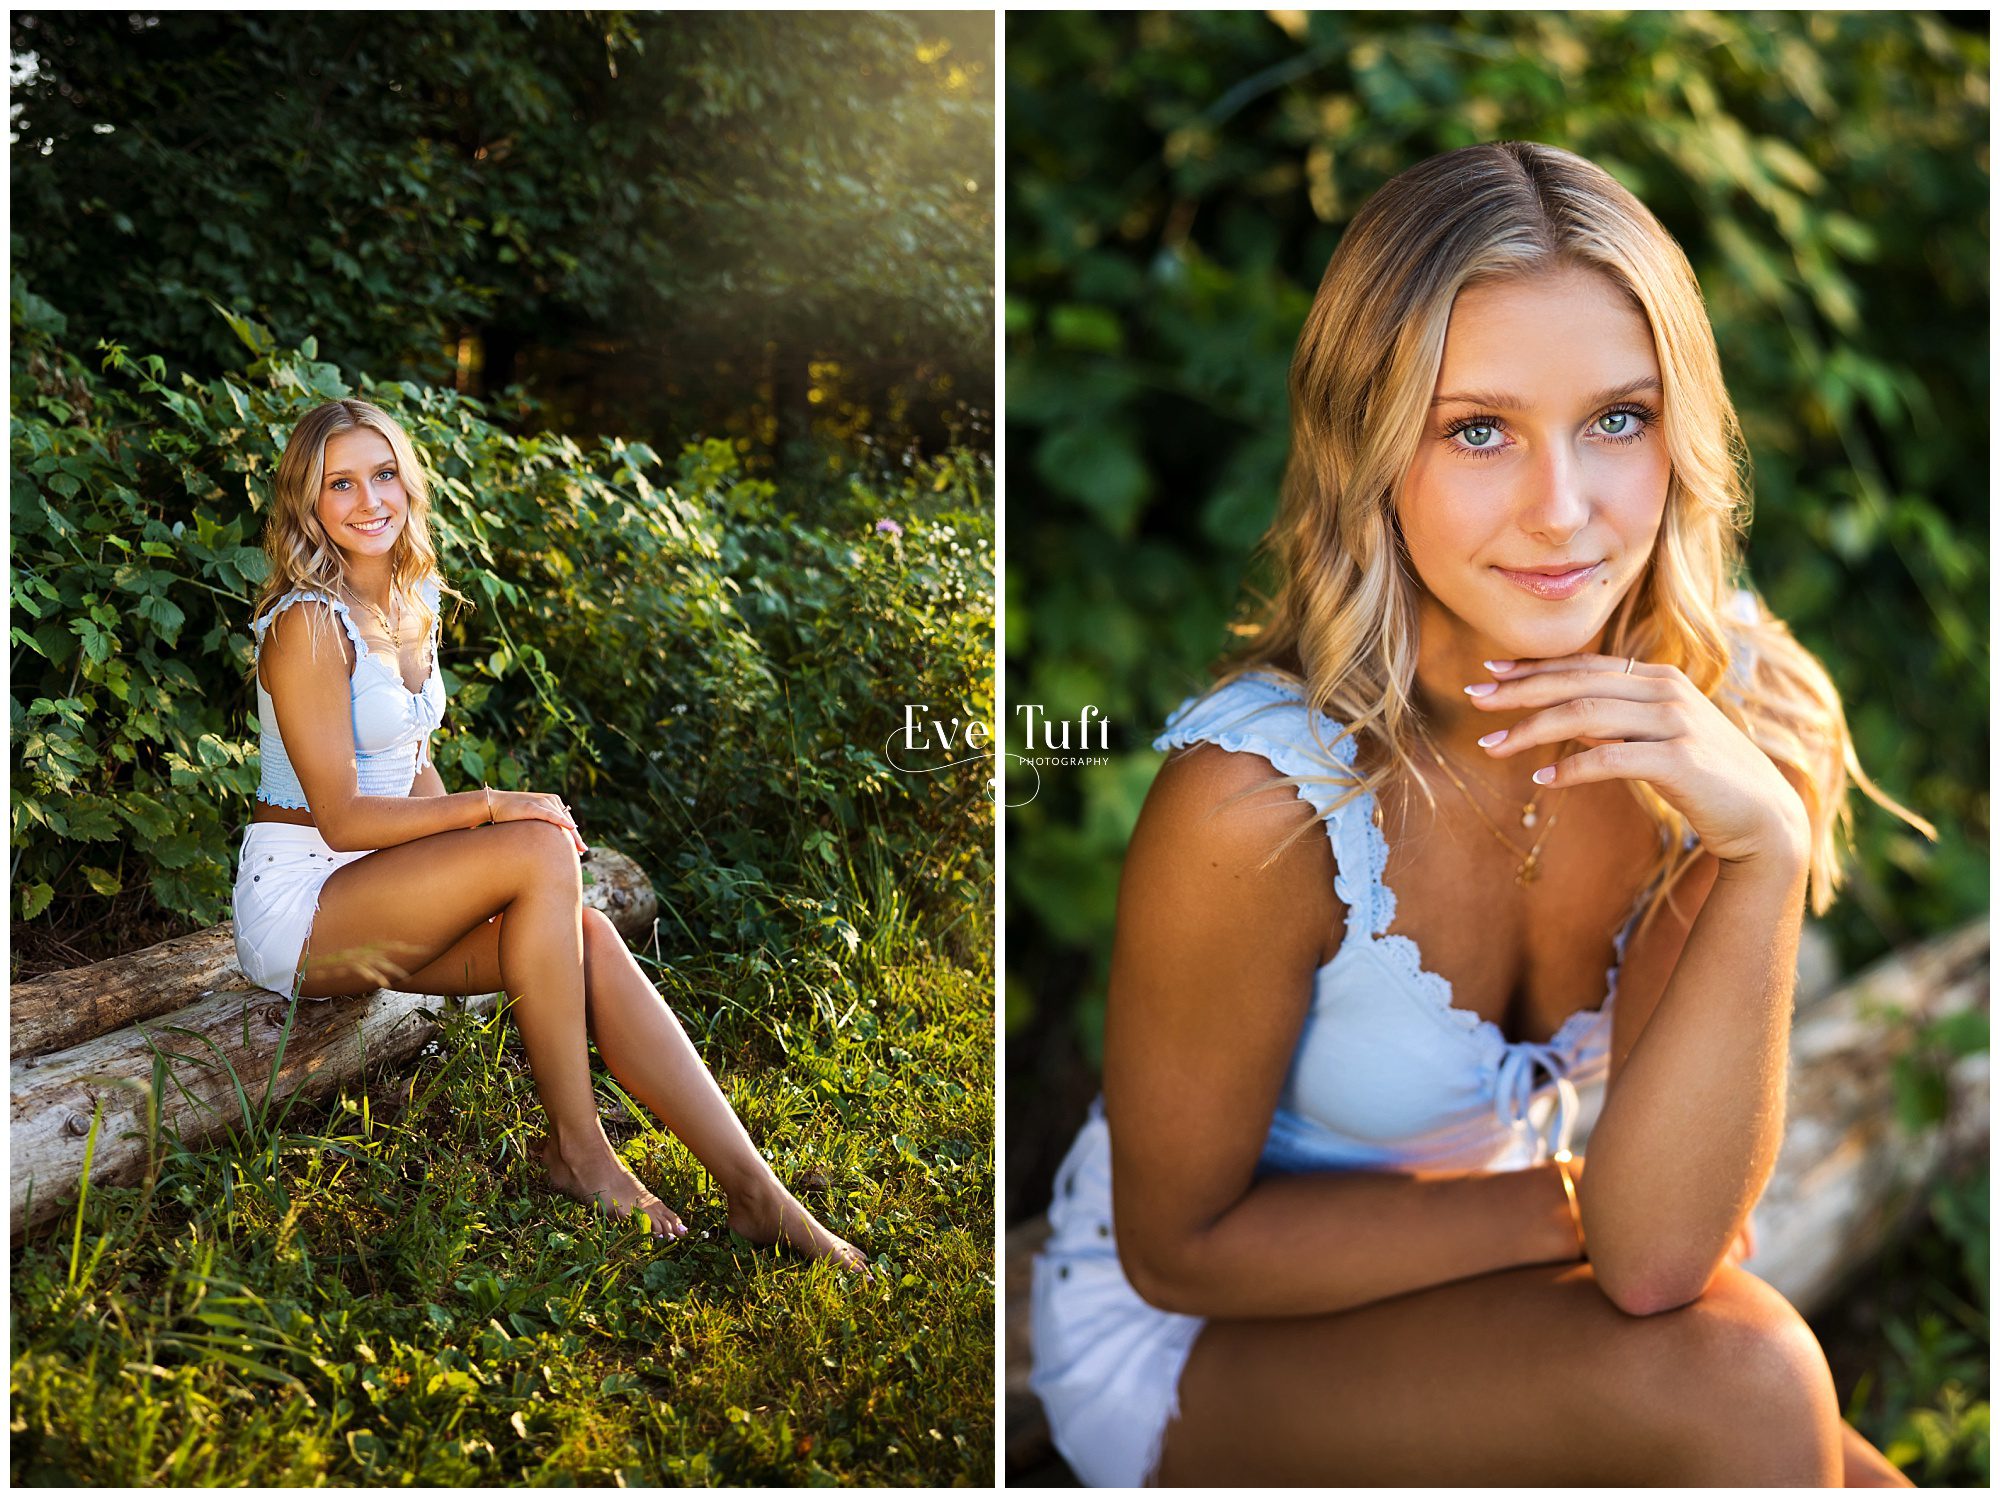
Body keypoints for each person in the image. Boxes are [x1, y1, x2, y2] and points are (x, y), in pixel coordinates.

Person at [1029, 142, 1926, 1485]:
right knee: (1747, 1383)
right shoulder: (1260, 803)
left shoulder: (1731, 721)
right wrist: (1560, 1202)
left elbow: (1659, 1253)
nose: (1561, 512)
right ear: (1369, 447)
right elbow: (1181, 1250)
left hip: (1506, 1285)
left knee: (1822, 1451)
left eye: (1616, 418)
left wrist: (1762, 851)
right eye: (1478, 430)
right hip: (1200, 1340)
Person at [233, 398, 866, 1273]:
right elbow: (341, 816)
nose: (369, 500)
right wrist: (492, 810)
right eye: (340, 483)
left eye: (384, 474)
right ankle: (580, 1153)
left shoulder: (414, 598)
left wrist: (469, 859)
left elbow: (414, 770)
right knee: (534, 842)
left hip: (382, 890)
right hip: (303, 904)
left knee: (588, 933)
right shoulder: (307, 622)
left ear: (409, 483)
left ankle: (758, 1194)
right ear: (307, 501)